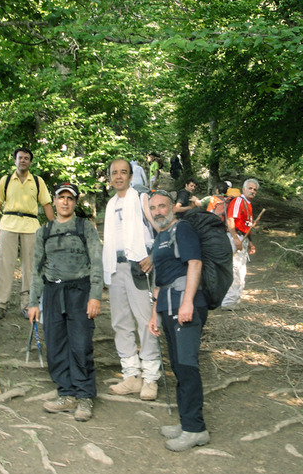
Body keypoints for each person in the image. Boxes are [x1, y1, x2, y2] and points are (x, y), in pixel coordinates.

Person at [28, 182, 103, 422]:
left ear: (75, 202)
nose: (65, 202)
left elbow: (96, 262)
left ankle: (84, 396)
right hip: (52, 293)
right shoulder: (44, 231)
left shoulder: (85, 227)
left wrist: (95, 295)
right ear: (55, 200)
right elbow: (37, 269)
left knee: (80, 344)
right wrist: (33, 302)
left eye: (70, 198)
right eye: (61, 198)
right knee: (56, 344)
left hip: (79, 291)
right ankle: (66, 393)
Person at [147, 190, 210, 452]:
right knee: (178, 366)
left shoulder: (182, 230)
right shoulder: (160, 237)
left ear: (172, 207)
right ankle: (187, 423)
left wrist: (187, 303)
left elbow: (194, 264)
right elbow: (161, 279)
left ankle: (195, 429)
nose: (158, 211)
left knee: (187, 366)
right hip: (167, 306)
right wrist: (154, 314)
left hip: (186, 305)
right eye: (153, 208)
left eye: (162, 206)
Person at [102, 158, 161, 400]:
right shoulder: (110, 204)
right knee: (120, 322)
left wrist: (154, 255)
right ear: (109, 177)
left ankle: (150, 378)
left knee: (145, 321)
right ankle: (131, 375)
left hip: (139, 266)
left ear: (130, 175)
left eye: (123, 172)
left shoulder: (141, 198)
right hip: (115, 268)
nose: (118, 177)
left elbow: (161, 226)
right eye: (114, 173)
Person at [0, 147, 54, 320]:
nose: (23, 160)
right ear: (15, 160)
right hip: (8, 224)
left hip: (31, 226)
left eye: (26, 158)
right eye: (20, 157)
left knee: (30, 267)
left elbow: (47, 205)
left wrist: (54, 228)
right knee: (5, 265)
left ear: (30, 162)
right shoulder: (6, 180)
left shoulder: (38, 181)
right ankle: (0, 303)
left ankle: (27, 304)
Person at [222, 178, 259, 310]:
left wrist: (250, 243)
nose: (252, 191)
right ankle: (228, 302)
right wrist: (235, 238)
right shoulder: (239, 201)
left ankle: (235, 301)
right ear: (243, 189)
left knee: (241, 271)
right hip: (235, 237)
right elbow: (230, 218)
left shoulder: (248, 204)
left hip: (243, 238)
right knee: (235, 269)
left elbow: (246, 226)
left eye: (255, 189)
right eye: (250, 188)